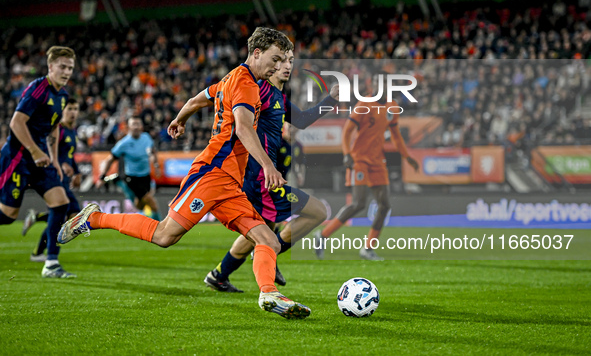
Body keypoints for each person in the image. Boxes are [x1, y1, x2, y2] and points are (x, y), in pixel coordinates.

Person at [58, 27, 309, 319]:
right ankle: (94, 218)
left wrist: (180, 119)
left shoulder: (231, 78)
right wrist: (268, 165)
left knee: (269, 240)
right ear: (256, 53)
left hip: (229, 183)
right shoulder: (245, 84)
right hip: (211, 174)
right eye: (275, 59)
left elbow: (197, 100)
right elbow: (242, 127)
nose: (280, 67)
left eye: (284, 60)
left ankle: (269, 294)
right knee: (164, 236)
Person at [202, 50, 338, 292]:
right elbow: (231, 107)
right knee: (317, 211)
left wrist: (331, 100)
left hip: (262, 177)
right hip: (258, 178)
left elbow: (303, 120)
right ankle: (268, 254)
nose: (287, 66)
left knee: (257, 231)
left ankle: (219, 275)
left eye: (291, 62)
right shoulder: (257, 89)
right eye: (282, 61)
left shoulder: (279, 98)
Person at [0, 46, 76, 278]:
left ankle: (51, 263)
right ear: (50, 66)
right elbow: (16, 123)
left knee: (61, 204)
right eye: (62, 67)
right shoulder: (38, 89)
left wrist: (53, 159)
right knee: (7, 216)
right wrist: (34, 151)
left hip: (41, 159)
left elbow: (53, 128)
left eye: (70, 68)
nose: (66, 72)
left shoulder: (62, 96)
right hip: (18, 158)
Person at [316, 96, 419, 260]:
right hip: (360, 160)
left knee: (384, 205)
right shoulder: (364, 104)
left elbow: (396, 135)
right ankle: (322, 235)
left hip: (377, 161)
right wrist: (346, 154)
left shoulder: (392, 107)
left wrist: (407, 156)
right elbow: (347, 130)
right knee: (358, 204)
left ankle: (368, 248)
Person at [22, 99, 82, 262]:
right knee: (67, 215)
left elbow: (70, 156)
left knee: (71, 216)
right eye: (70, 108)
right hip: (57, 178)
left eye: (75, 109)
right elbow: (49, 151)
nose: (73, 112)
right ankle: (42, 253)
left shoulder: (72, 131)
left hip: (65, 178)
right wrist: (59, 164)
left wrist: (76, 172)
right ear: (63, 110)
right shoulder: (58, 130)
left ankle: (38, 223)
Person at [96, 116, 161, 220]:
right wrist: (102, 176)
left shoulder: (146, 137)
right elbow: (110, 159)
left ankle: (141, 217)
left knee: (140, 204)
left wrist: (156, 165)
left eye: (137, 124)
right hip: (132, 177)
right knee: (152, 203)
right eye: (133, 124)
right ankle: (160, 227)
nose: (136, 127)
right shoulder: (123, 143)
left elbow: (153, 151)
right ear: (129, 127)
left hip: (145, 176)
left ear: (141, 126)